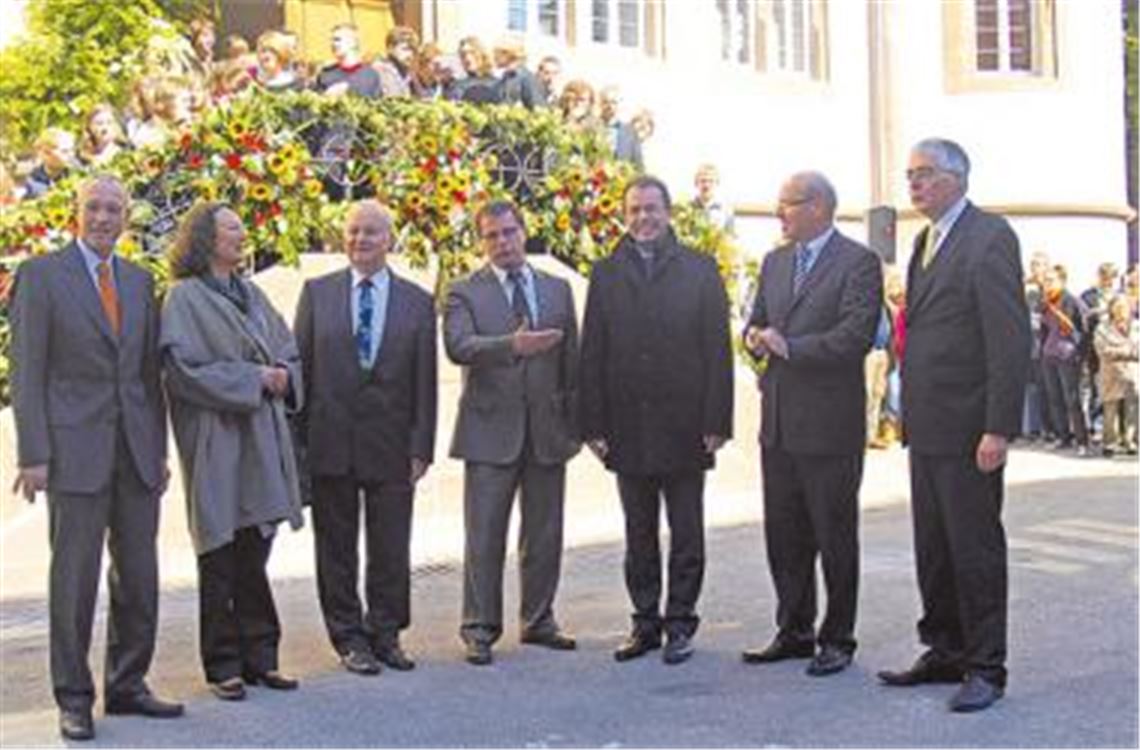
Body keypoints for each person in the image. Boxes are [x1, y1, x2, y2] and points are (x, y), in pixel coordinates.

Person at [10, 175, 182, 741]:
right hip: (72, 453)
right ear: (75, 214)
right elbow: (28, 371)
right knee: (75, 578)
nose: (103, 217)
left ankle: (128, 684)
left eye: (113, 209)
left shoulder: (138, 282)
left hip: (134, 452)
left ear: (126, 218)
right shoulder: (41, 276)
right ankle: (74, 696)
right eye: (94, 208)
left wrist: (157, 451)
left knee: (138, 574)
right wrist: (33, 454)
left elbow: (146, 378)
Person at [877, 138, 1030, 713]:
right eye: (910, 174)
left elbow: (1008, 339)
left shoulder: (989, 237)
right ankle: (944, 648)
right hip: (929, 426)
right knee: (934, 547)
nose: (913, 184)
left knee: (974, 549)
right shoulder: (924, 240)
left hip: (970, 429)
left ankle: (986, 666)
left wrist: (998, 427)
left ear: (958, 179)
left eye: (925, 175)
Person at [579, 175, 733, 665]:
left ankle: (681, 623)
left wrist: (717, 420)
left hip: (686, 424)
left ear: (668, 213)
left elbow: (717, 351)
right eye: (634, 210)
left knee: (686, 532)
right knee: (638, 533)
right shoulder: (605, 273)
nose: (643, 218)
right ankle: (645, 623)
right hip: (628, 425)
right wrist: (594, 425)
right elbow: (593, 353)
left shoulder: (699, 269)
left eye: (651, 208)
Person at [740, 171, 882, 677]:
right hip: (778, 424)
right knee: (785, 534)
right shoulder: (777, 262)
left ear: (819, 206)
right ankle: (794, 629)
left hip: (829, 426)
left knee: (834, 534)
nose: (780, 213)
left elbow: (854, 336)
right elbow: (754, 322)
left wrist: (792, 347)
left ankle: (837, 637)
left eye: (788, 204)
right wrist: (755, 339)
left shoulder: (858, 263)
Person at [161, 202, 304, 702]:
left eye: (242, 227)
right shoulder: (183, 299)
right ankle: (223, 663)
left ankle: (262, 657)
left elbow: (288, 349)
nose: (242, 235)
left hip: (261, 440)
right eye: (230, 228)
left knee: (254, 550)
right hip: (217, 439)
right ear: (204, 239)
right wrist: (253, 379)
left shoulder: (254, 294)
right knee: (219, 549)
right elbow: (182, 372)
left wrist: (285, 376)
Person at [294, 201, 438, 675]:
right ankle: (349, 637)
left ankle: (386, 633)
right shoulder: (317, 294)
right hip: (331, 442)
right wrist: (300, 445)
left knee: (391, 545)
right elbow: (302, 373)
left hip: (392, 445)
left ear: (389, 240)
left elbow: (425, 381)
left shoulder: (417, 301)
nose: (360, 240)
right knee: (335, 547)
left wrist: (422, 447)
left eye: (371, 233)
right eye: (353, 232)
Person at [444, 199, 581, 666]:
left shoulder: (558, 289)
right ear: (482, 242)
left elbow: (572, 362)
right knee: (485, 534)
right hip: (489, 431)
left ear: (525, 232)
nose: (502, 243)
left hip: (547, 430)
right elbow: (458, 346)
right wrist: (512, 345)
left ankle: (539, 620)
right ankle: (479, 627)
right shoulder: (465, 291)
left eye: (509, 232)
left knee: (544, 533)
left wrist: (577, 426)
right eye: (492, 236)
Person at [1039, 264, 1091, 455]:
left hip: (1068, 355)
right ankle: (1063, 437)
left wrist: (1080, 353)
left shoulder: (1072, 301)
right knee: (1054, 397)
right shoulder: (1045, 302)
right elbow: (1043, 329)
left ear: (1062, 280)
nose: (1047, 284)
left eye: (1051, 280)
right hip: (1049, 354)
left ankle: (1082, 440)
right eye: (1045, 281)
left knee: (1072, 398)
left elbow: (1085, 329)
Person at [1094, 295, 1138, 456]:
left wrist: (1120, 352)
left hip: (1132, 374)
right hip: (1111, 374)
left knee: (1131, 409)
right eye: (1117, 306)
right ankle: (1110, 443)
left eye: (1124, 306)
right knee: (1110, 410)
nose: (1121, 310)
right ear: (1111, 308)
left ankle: (1130, 441)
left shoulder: (1136, 327)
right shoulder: (1102, 328)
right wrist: (1127, 352)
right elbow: (1102, 350)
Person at [1080, 262, 1120, 436]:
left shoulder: (1120, 296)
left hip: (1116, 347)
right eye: (1105, 276)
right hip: (1095, 349)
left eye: (1111, 277)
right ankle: (1094, 426)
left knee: (1117, 390)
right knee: (1097, 388)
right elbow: (1081, 318)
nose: (1108, 280)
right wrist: (1094, 313)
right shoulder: (1088, 296)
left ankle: (1113, 429)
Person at [315, 24, 381, 99]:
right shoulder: (325, 75)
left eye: (337, 39)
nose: (333, 44)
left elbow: (377, 106)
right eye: (331, 40)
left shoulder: (370, 75)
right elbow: (314, 107)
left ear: (353, 43)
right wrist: (327, 96)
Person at [22, 127, 75, 200]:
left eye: (72, 150)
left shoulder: (76, 177)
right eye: (65, 151)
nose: (71, 155)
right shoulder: (31, 183)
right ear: (46, 153)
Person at [598, 86, 643, 169]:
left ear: (620, 105)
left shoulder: (631, 132)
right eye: (605, 102)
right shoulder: (591, 130)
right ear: (599, 104)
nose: (610, 106)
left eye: (613, 102)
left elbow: (638, 166)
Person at [448, 36, 501, 104]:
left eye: (472, 53)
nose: (467, 58)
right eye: (463, 55)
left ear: (482, 54)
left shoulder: (497, 85)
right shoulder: (458, 86)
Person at [494, 39, 541, 109]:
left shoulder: (525, 77)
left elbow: (537, 106)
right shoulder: (505, 76)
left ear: (508, 54)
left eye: (497, 53)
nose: (495, 57)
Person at [373, 26, 419, 98]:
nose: (410, 54)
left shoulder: (407, 73)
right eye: (405, 49)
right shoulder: (379, 72)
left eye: (413, 50)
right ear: (390, 48)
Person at [690, 164, 735, 236]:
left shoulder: (725, 210)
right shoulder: (688, 208)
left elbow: (731, 236)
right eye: (703, 181)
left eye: (711, 181)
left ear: (717, 183)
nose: (706, 185)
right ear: (696, 183)